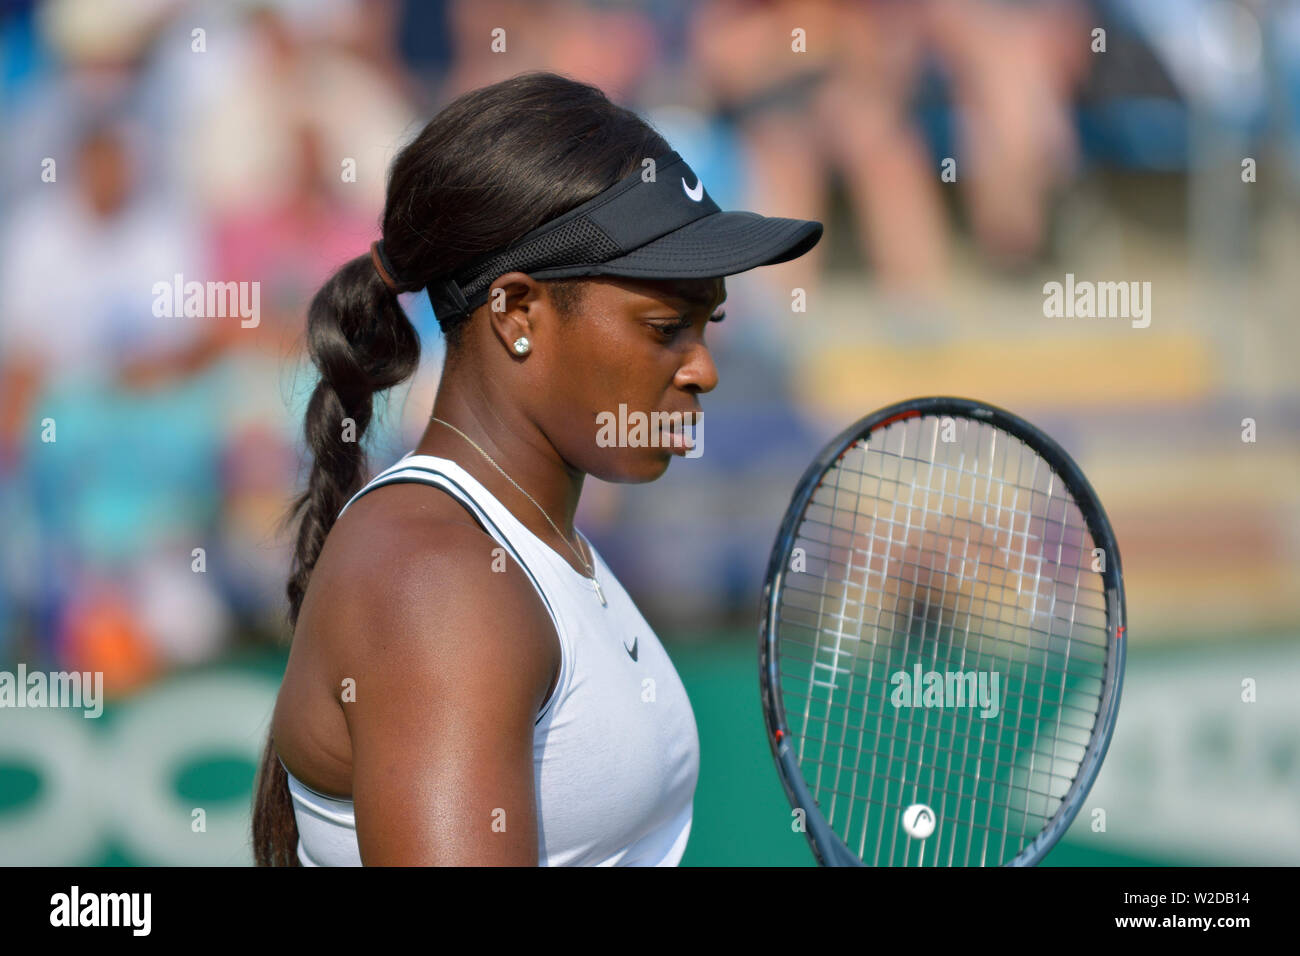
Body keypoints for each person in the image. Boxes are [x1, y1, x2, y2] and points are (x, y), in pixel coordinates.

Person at [252, 71, 822, 866]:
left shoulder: (522, 543)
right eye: (665, 327)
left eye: (707, 323)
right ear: (518, 313)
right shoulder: (439, 578)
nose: (703, 370)